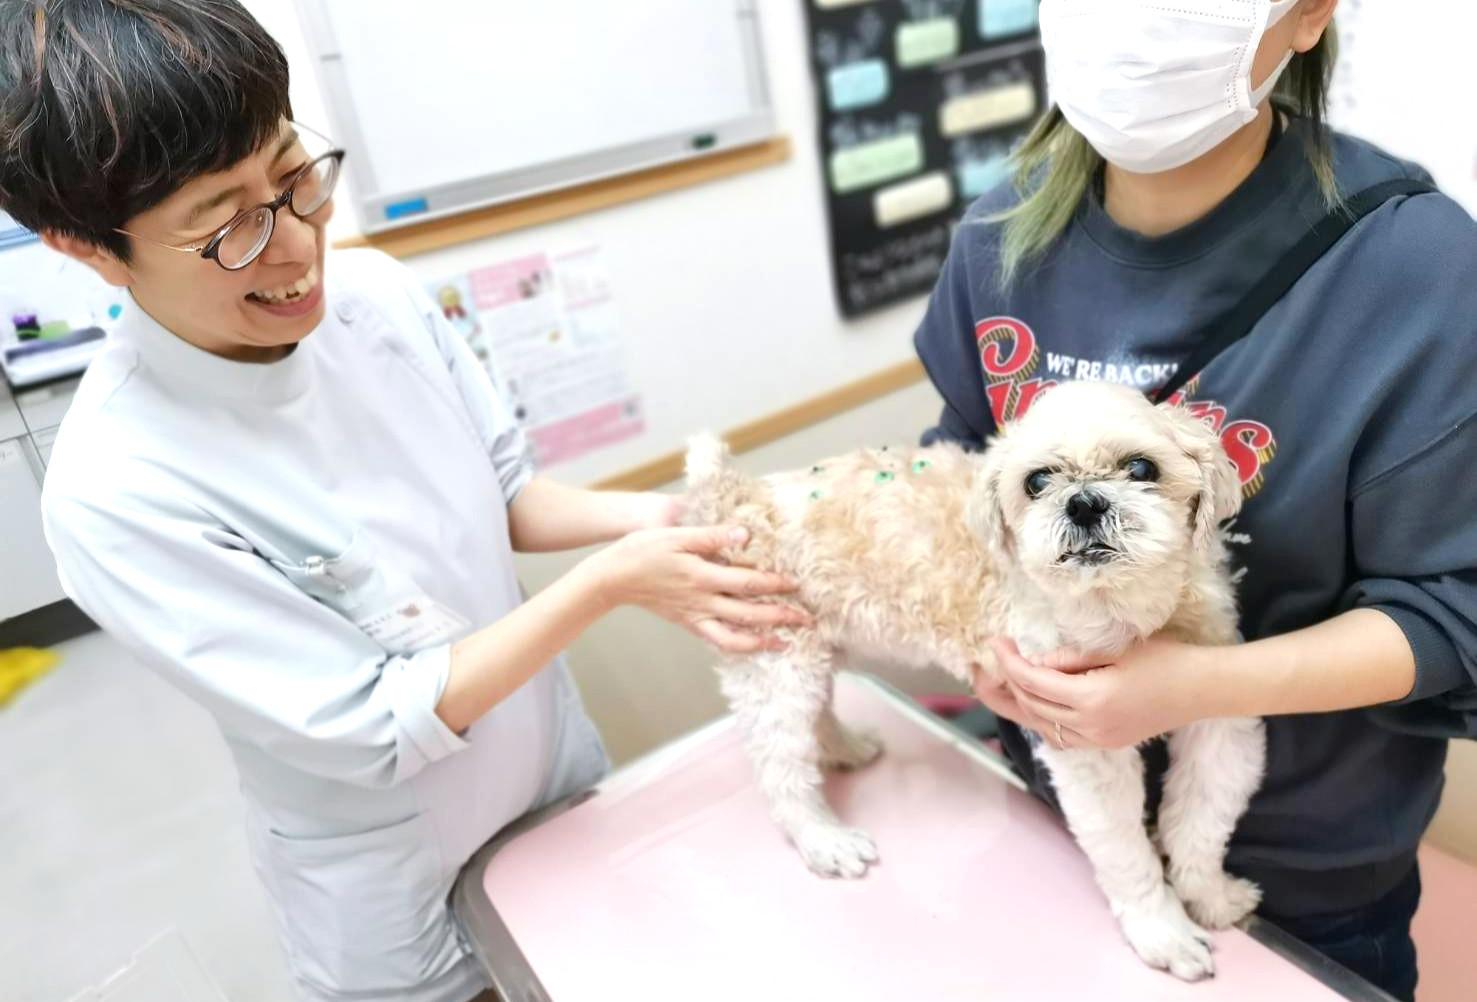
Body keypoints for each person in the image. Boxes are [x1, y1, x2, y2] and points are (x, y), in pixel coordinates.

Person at [0, 3, 803, 1001]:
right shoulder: (119, 487)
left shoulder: (375, 297)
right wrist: (608, 586)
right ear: (84, 247)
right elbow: (373, 729)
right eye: (227, 225)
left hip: (553, 782)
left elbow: (504, 492)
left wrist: (653, 524)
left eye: (294, 178)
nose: (295, 246)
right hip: (394, 886)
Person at [914, 1, 1477, 998]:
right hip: (1052, 809)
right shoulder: (999, 231)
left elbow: (1455, 616)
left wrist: (1192, 687)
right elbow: (956, 473)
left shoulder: (1419, 269)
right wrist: (983, 654)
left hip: (1300, 875)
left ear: (1307, 15)